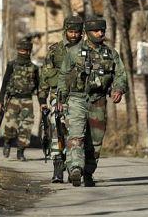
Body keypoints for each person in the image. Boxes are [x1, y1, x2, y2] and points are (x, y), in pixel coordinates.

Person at [57, 16, 128, 187]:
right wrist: (61, 98)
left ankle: (88, 172)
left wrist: (118, 89)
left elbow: (120, 75)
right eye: (96, 31)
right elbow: (64, 75)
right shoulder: (73, 52)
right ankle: (75, 168)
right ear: (88, 33)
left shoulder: (111, 53)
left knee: (95, 141)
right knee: (76, 135)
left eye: (102, 30)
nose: (100, 33)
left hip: (99, 100)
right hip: (77, 99)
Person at [38, 15, 83, 183]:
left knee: (77, 133)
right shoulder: (55, 50)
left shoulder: (87, 50)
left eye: (77, 32)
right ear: (65, 31)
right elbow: (45, 77)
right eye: (70, 31)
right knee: (58, 130)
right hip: (57, 97)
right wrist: (42, 101)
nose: (73, 35)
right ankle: (58, 168)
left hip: (81, 96)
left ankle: (75, 167)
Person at [0, 39, 39, 161]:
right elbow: (5, 82)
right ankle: (7, 142)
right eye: (22, 50)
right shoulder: (12, 65)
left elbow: (38, 85)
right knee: (10, 125)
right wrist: (1, 100)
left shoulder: (34, 68)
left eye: (26, 50)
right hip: (13, 99)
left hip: (27, 100)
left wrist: (42, 102)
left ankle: (21, 151)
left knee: (26, 127)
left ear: (30, 51)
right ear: (18, 50)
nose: (24, 53)